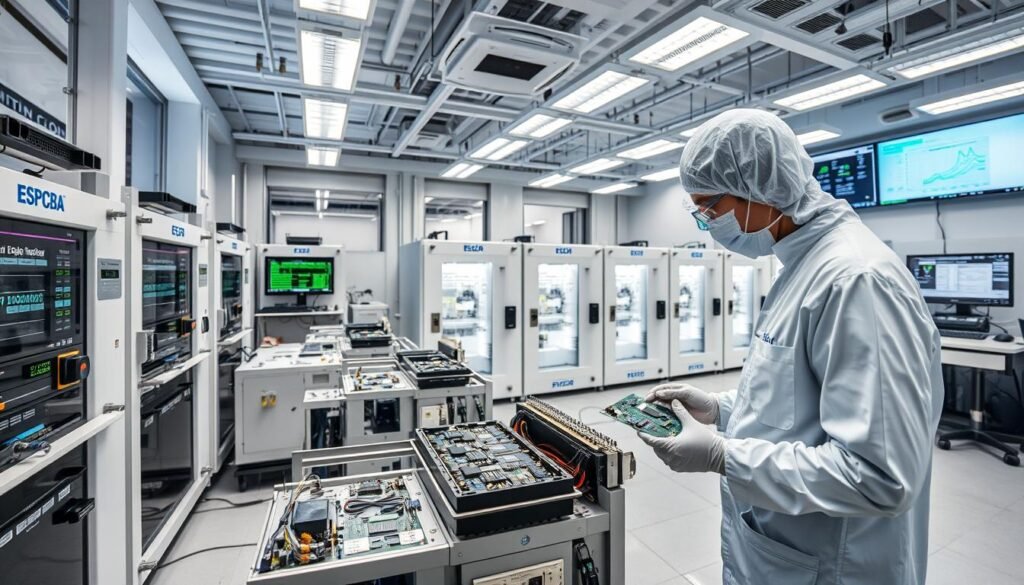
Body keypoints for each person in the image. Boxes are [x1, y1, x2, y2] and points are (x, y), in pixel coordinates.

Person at [639, 109, 943, 585]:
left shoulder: (856, 281)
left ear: (756, 192)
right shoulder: (801, 265)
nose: (708, 224)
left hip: (835, 566)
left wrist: (724, 455)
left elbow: (882, 477)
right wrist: (720, 410)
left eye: (709, 210)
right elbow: (801, 401)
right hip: (784, 553)